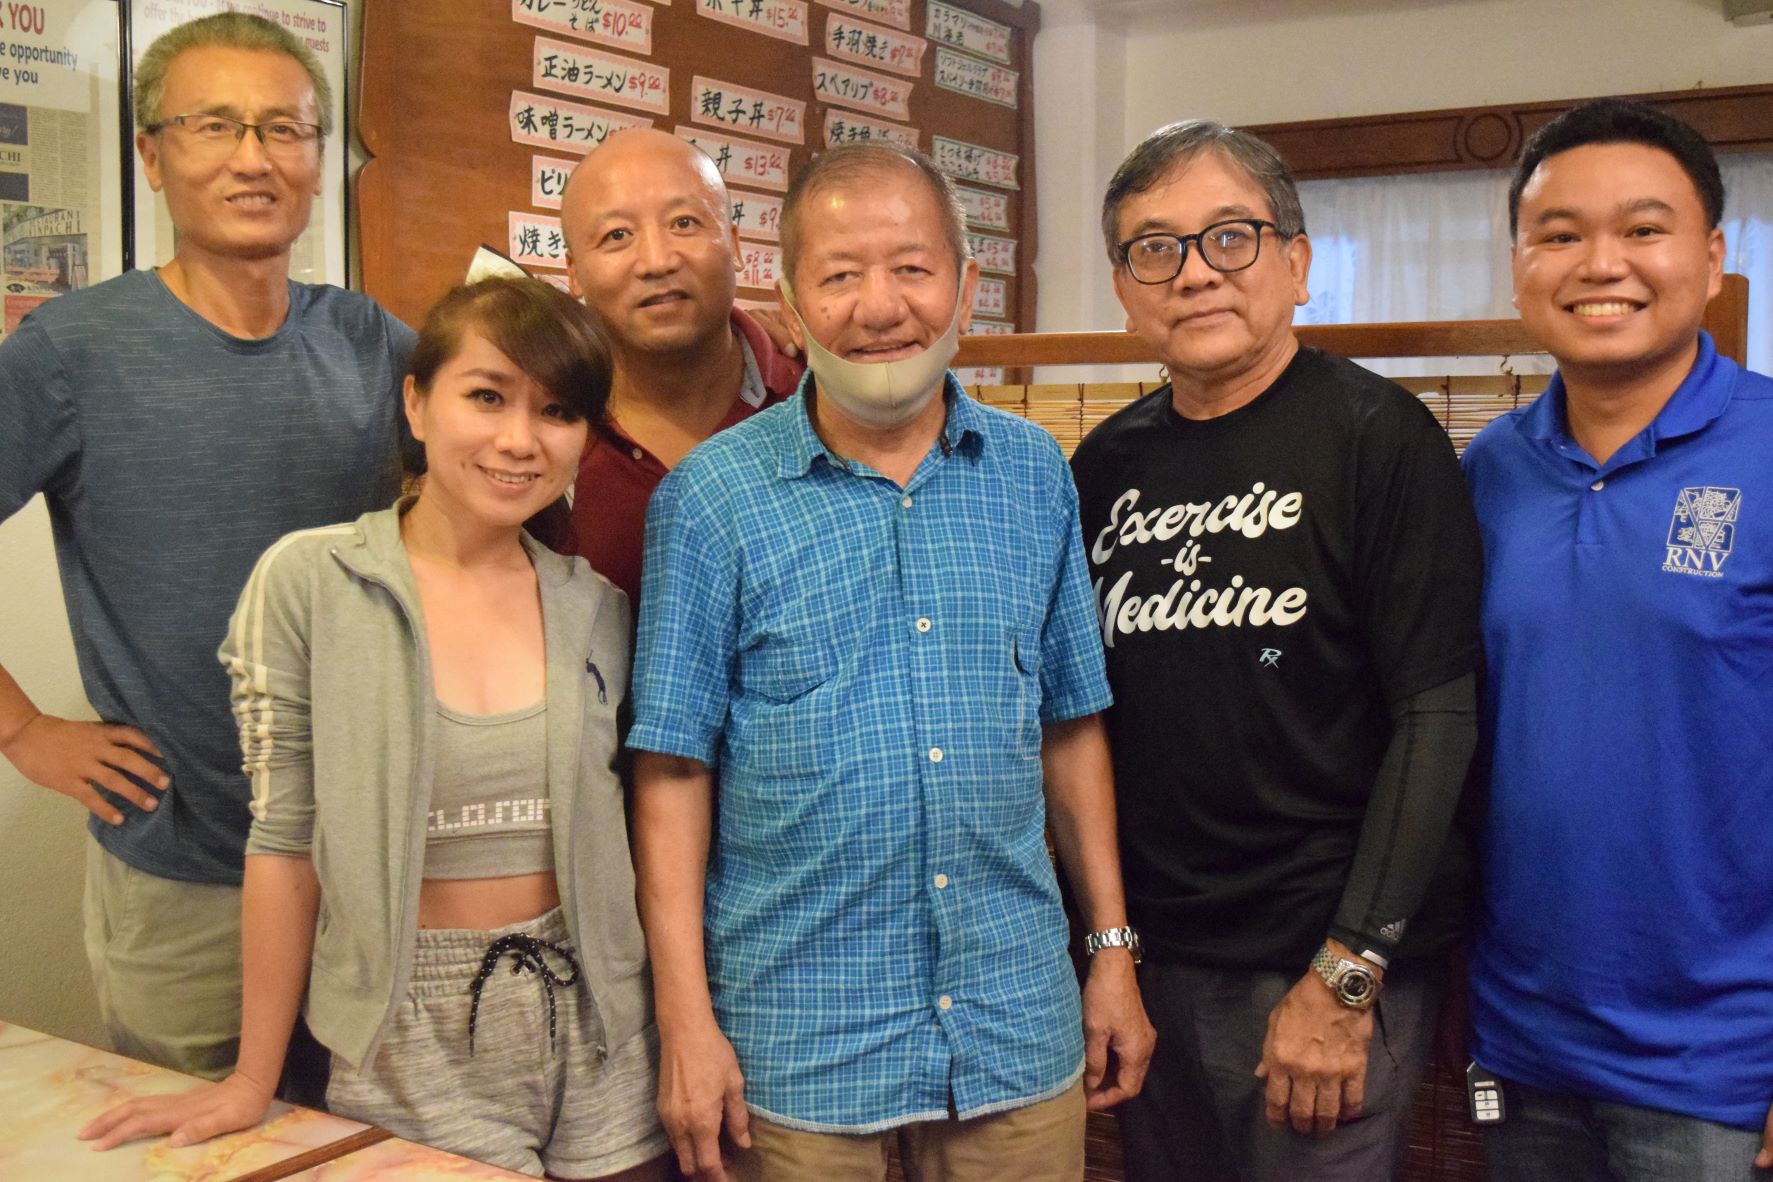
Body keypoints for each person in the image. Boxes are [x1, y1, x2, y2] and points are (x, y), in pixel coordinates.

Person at [627, 144, 1154, 1182]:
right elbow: (673, 769)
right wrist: (685, 1018)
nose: (881, 306)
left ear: (965, 283)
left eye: (912, 268)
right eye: (840, 274)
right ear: (787, 297)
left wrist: (1113, 952)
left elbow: (1070, 723)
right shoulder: (710, 500)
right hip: (798, 1046)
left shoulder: (1034, 474)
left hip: (1014, 1030)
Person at [78, 277, 671, 1181]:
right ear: (415, 402)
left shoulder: (596, 607)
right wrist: (251, 1077)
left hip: (602, 1020)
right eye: (485, 396)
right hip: (408, 1030)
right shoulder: (311, 582)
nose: (519, 439)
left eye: (557, 410)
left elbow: (637, 826)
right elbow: (283, 842)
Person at [0, 13, 412, 1081]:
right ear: (151, 154)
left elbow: (508, 457)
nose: (252, 157)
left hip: (372, 867)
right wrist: (24, 729)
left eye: (286, 128)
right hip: (184, 877)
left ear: (319, 159)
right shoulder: (70, 350)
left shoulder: (371, 343)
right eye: (215, 124)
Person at [1070, 120, 1484, 1181]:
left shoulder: (1379, 437)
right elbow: (1081, 725)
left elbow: (1438, 718)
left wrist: (1348, 980)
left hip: (1321, 972)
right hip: (1152, 971)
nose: (1196, 272)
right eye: (1154, 248)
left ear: (1296, 265)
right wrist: (1109, 955)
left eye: (1231, 237)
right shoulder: (1105, 465)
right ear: (1124, 287)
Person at [1462, 99, 1773, 1182]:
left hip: (1722, 1061)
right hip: (1520, 1038)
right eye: (1560, 234)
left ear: (1714, 256)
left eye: (1644, 230)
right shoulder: (1484, 473)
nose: (1603, 264)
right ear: (1519, 265)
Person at [552, 127, 804, 601]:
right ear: (573, 272)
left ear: (734, 245)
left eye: (685, 223)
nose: (657, 261)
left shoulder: (818, 399)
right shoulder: (546, 428)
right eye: (617, 235)